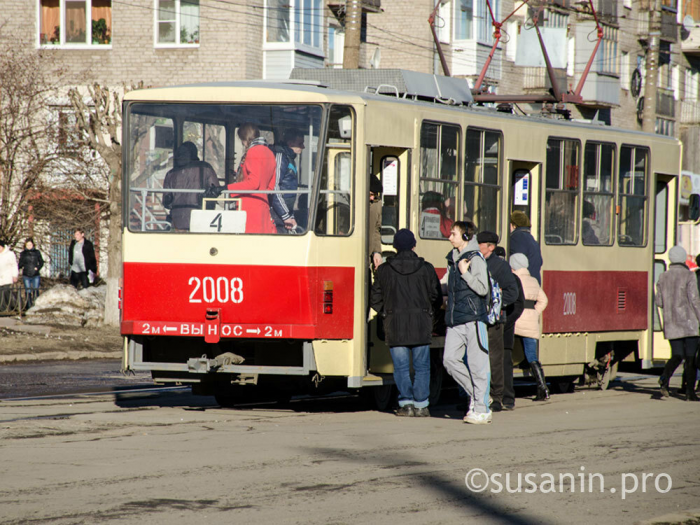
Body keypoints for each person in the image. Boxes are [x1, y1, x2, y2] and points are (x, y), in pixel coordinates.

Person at [370, 229, 442, 417]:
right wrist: (429, 313)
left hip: (395, 324)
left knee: (401, 367)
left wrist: (385, 313)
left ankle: (406, 404)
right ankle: (422, 405)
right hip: (421, 323)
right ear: (414, 245)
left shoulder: (384, 270)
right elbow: (436, 296)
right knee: (422, 367)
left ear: (394, 246)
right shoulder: (426, 268)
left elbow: (375, 298)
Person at [442, 221, 492, 424]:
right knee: (449, 360)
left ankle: (482, 410)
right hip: (455, 319)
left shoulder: (475, 259)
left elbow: (482, 289)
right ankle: (478, 396)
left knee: (477, 365)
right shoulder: (452, 259)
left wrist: (465, 273)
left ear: (465, 237)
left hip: (473, 319)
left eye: (453, 234)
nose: (449, 237)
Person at [477, 231, 519, 412]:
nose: (476, 246)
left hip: (494, 321)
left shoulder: (500, 266)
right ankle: (478, 396)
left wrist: (495, 303)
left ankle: (496, 397)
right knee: (477, 358)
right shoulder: (474, 261)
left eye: (480, 243)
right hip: (476, 318)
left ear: (490, 247)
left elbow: (512, 292)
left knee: (494, 358)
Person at [656, 245, 700, 401]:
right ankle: (689, 392)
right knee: (690, 358)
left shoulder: (662, 277)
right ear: (682, 259)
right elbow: (694, 300)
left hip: (672, 323)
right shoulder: (689, 276)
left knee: (676, 355)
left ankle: (664, 377)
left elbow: (659, 302)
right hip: (689, 324)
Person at [510, 253, 550, 401]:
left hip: (517, 322)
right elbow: (543, 300)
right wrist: (534, 313)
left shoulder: (515, 280)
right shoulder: (533, 280)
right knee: (532, 357)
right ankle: (543, 388)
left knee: (508, 356)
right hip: (531, 323)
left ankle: (506, 391)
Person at [227, 123, 276, 234]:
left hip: (249, 207)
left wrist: (228, 187)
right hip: (263, 206)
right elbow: (270, 186)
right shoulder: (270, 153)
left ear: (245, 139)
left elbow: (254, 183)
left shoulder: (253, 151)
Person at [163, 141, 221, 230]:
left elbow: (166, 202)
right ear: (194, 153)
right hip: (200, 218)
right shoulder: (205, 167)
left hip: (177, 221)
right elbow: (216, 189)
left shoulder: (170, 174)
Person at [270, 129, 303, 233]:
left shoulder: (290, 158)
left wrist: (291, 215)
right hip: (277, 211)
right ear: (290, 143)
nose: (303, 147)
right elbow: (275, 188)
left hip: (285, 210)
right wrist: (285, 216)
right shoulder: (281, 157)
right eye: (300, 144)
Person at [510, 211, 543, 284]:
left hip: (523, 284)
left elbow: (517, 263)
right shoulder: (532, 240)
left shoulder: (516, 238)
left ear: (514, 225)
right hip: (535, 282)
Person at [18, 238, 44, 308]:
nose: (29, 246)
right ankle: (28, 306)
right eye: (27, 245)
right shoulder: (23, 253)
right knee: (28, 291)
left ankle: (37, 306)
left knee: (35, 291)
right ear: (25, 245)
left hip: (35, 274)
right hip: (26, 274)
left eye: (30, 244)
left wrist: (37, 268)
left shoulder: (37, 252)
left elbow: (41, 262)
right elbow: (20, 264)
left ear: (33, 245)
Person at [369, 174, 383, 270]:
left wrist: (377, 252)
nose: (372, 198)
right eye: (370, 194)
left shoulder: (376, 203)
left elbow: (376, 229)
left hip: (368, 256)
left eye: (375, 195)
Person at [0, 240, 19, 309]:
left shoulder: (10, 254)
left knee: (6, 292)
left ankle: (8, 307)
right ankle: (2, 308)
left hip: (7, 276)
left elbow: (14, 265)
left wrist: (14, 275)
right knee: (0, 294)